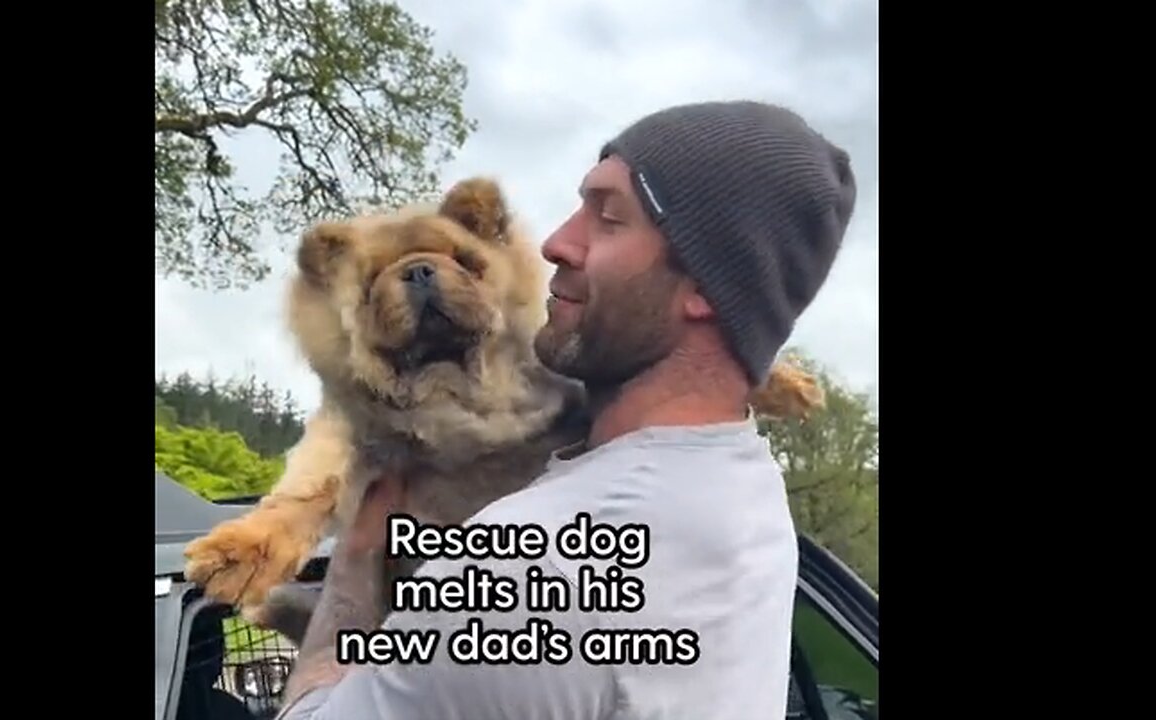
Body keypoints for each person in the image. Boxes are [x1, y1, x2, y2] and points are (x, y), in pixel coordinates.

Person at [275, 100, 857, 720]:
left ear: (705, 289)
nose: (556, 243)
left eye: (607, 219)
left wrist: (354, 565)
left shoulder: (536, 564)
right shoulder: (743, 479)